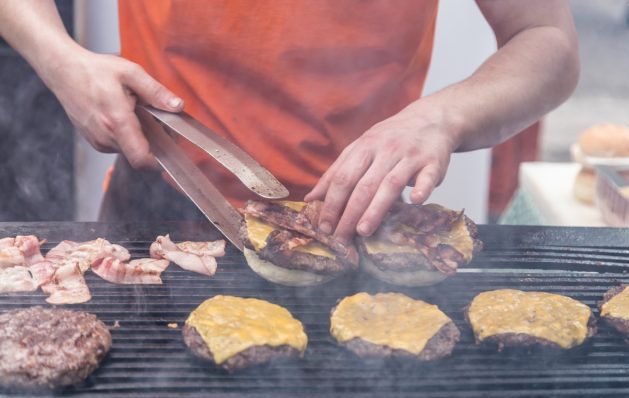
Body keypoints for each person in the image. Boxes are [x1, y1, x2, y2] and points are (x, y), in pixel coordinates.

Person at [0, 1, 579, 243]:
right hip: (160, 214)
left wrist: (443, 116)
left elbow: (547, 40)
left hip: (349, 227)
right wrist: (62, 59)